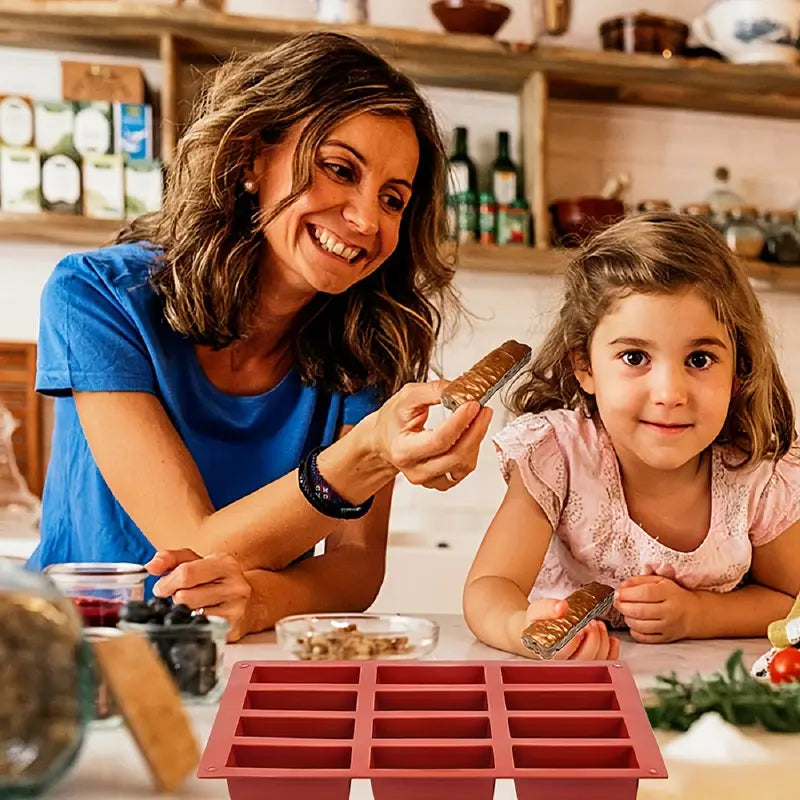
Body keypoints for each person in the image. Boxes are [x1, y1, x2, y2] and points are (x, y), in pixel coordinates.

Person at [29, 32, 493, 640]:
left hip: (248, 652)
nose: (366, 219)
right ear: (252, 156)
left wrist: (262, 601)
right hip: (79, 648)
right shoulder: (96, 297)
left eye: (392, 198)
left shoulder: (370, 346)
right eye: (338, 169)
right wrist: (368, 454)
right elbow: (191, 544)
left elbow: (354, 569)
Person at [464, 212, 800, 660]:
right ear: (585, 367)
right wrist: (522, 628)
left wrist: (699, 614)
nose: (669, 393)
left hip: (702, 696)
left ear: (739, 371)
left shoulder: (756, 474)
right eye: (635, 356)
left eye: (700, 360)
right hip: (572, 690)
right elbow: (490, 587)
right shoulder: (558, 454)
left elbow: (791, 603)